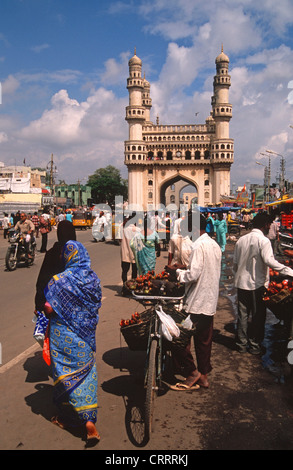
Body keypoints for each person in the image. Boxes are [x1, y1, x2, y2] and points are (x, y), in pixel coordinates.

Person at [43, 240, 102, 446]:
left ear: (67, 257)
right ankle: (89, 422)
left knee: (65, 374)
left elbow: (49, 309)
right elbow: (96, 304)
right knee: (86, 375)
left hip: (63, 337)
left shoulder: (58, 281)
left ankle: (71, 416)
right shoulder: (93, 279)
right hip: (85, 337)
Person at [170, 214, 222, 390]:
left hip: (197, 303)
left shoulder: (198, 245)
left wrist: (178, 274)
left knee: (179, 338)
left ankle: (192, 372)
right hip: (210, 300)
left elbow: (193, 274)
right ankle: (204, 377)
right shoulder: (214, 244)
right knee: (204, 341)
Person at [233, 212, 293, 355]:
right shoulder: (263, 241)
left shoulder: (241, 240)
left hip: (241, 283)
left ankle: (241, 345)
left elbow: (235, 264)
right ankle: (254, 346)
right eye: (270, 224)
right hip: (257, 284)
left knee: (243, 315)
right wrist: (289, 271)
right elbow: (269, 261)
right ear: (265, 225)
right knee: (258, 315)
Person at [35, 220, 76, 312]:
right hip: (76, 306)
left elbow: (43, 280)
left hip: (55, 305)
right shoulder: (79, 253)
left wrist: (39, 305)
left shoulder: (52, 253)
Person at [119, 214, 141, 295]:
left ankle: (124, 288)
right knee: (134, 271)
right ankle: (133, 288)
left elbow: (120, 240)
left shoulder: (123, 229)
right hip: (134, 252)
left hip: (125, 252)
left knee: (124, 271)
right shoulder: (138, 230)